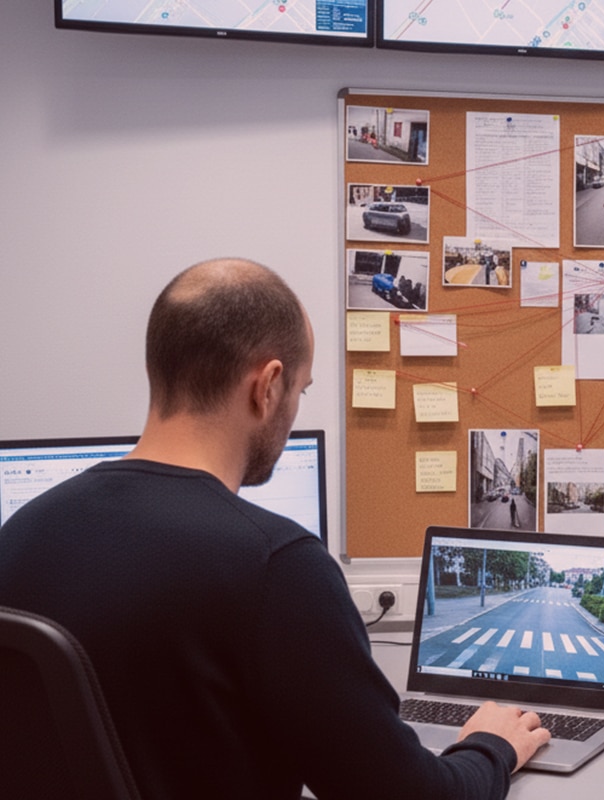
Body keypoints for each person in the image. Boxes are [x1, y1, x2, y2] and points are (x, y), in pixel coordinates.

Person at [0, 258, 549, 800]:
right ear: (268, 386)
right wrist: (489, 745)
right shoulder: (275, 563)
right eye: (302, 391)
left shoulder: (21, 532)